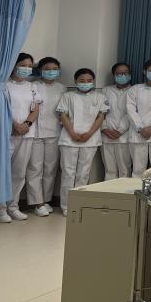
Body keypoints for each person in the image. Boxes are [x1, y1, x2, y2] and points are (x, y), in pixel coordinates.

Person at [0, 52, 41, 223]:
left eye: (30, 66)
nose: (26, 69)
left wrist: (26, 124)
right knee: (2, 171)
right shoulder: (2, 85)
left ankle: (13, 206)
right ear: (13, 66)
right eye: (23, 65)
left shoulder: (32, 86)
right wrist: (14, 125)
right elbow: (1, 108)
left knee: (19, 172)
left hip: (26, 133)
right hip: (6, 133)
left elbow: (35, 109)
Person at [56, 68, 109, 216]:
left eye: (89, 81)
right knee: (68, 173)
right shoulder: (67, 96)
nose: (85, 83)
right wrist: (72, 133)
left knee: (83, 173)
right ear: (75, 81)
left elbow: (101, 117)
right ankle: (66, 206)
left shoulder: (100, 97)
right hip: (69, 139)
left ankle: (79, 203)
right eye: (82, 80)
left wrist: (89, 134)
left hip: (90, 139)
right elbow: (63, 115)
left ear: (93, 82)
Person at [28, 56, 65, 217]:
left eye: (54, 69)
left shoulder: (62, 88)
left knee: (50, 168)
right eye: (47, 69)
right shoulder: (33, 86)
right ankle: (37, 203)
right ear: (40, 71)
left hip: (55, 132)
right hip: (36, 132)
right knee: (35, 168)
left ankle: (46, 199)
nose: (51, 72)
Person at [101, 63, 133, 181]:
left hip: (125, 136)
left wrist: (120, 130)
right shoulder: (105, 90)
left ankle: (124, 192)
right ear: (113, 75)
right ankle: (109, 192)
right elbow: (100, 111)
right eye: (119, 73)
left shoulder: (134, 90)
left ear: (130, 74)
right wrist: (104, 128)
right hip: (106, 135)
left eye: (125, 73)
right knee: (109, 170)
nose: (122, 76)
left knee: (124, 169)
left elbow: (132, 113)